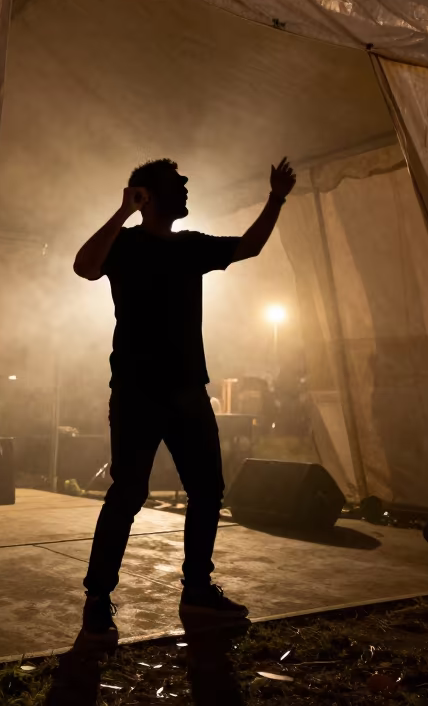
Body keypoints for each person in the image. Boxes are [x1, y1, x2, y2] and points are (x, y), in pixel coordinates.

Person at [72, 156, 296, 640]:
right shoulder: (124, 243)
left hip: (187, 388)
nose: (187, 187)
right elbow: (84, 267)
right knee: (128, 493)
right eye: (177, 183)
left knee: (207, 490)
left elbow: (250, 247)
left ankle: (196, 588)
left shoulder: (191, 246)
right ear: (149, 195)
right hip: (137, 390)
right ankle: (97, 599)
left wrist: (276, 199)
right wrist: (124, 211)